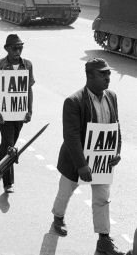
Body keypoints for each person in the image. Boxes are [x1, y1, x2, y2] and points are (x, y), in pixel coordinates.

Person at [51, 58, 125, 255]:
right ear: (89, 76)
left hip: (102, 160)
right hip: (75, 160)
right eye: (103, 74)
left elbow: (115, 126)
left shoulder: (112, 96)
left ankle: (103, 240)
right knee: (65, 192)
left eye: (109, 73)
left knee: (102, 198)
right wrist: (82, 165)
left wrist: (116, 150)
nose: (108, 78)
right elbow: (71, 136)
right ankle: (58, 217)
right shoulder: (74, 101)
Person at [0, 34, 34, 193]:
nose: (17, 51)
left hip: (20, 111)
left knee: (8, 142)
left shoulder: (27, 65)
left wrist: (29, 109)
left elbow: (28, 89)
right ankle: (8, 183)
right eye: (14, 48)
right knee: (10, 145)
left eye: (20, 48)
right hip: (4, 112)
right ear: (7, 49)